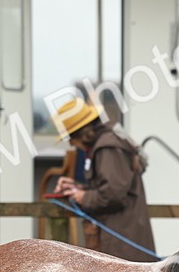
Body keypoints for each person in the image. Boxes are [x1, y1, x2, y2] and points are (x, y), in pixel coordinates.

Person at [52, 98, 157, 263]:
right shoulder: (107, 142)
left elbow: (112, 194)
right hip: (123, 240)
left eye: (70, 137)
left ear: (82, 133)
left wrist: (83, 197)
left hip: (122, 247)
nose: (71, 144)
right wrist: (77, 188)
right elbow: (110, 185)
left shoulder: (107, 148)